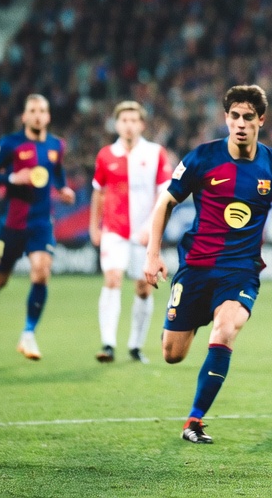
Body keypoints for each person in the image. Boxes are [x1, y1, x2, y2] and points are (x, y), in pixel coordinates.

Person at [144, 85, 272, 444]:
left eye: (248, 117)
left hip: (240, 272)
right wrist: (152, 254)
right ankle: (188, 318)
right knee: (172, 354)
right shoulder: (202, 157)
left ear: (261, 120)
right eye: (235, 116)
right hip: (196, 267)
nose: (241, 124)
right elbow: (165, 203)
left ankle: (194, 420)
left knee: (226, 329)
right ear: (226, 118)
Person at [0, 94, 75, 360]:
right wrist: (12, 177)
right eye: (33, 110)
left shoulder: (56, 145)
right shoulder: (10, 143)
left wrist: (63, 188)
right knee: (0, 279)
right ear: (25, 116)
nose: (38, 115)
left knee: (41, 272)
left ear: (48, 116)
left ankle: (28, 333)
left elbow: (57, 173)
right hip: (12, 223)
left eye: (42, 110)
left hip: (41, 222)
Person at [90, 101, 172, 364]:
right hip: (114, 230)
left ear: (142, 125)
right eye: (124, 120)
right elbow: (98, 193)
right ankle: (108, 344)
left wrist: (152, 229)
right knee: (112, 279)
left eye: (133, 120)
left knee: (143, 288)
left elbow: (164, 195)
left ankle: (136, 346)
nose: (128, 125)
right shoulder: (106, 155)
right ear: (116, 124)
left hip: (143, 232)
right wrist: (94, 226)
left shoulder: (156, 153)